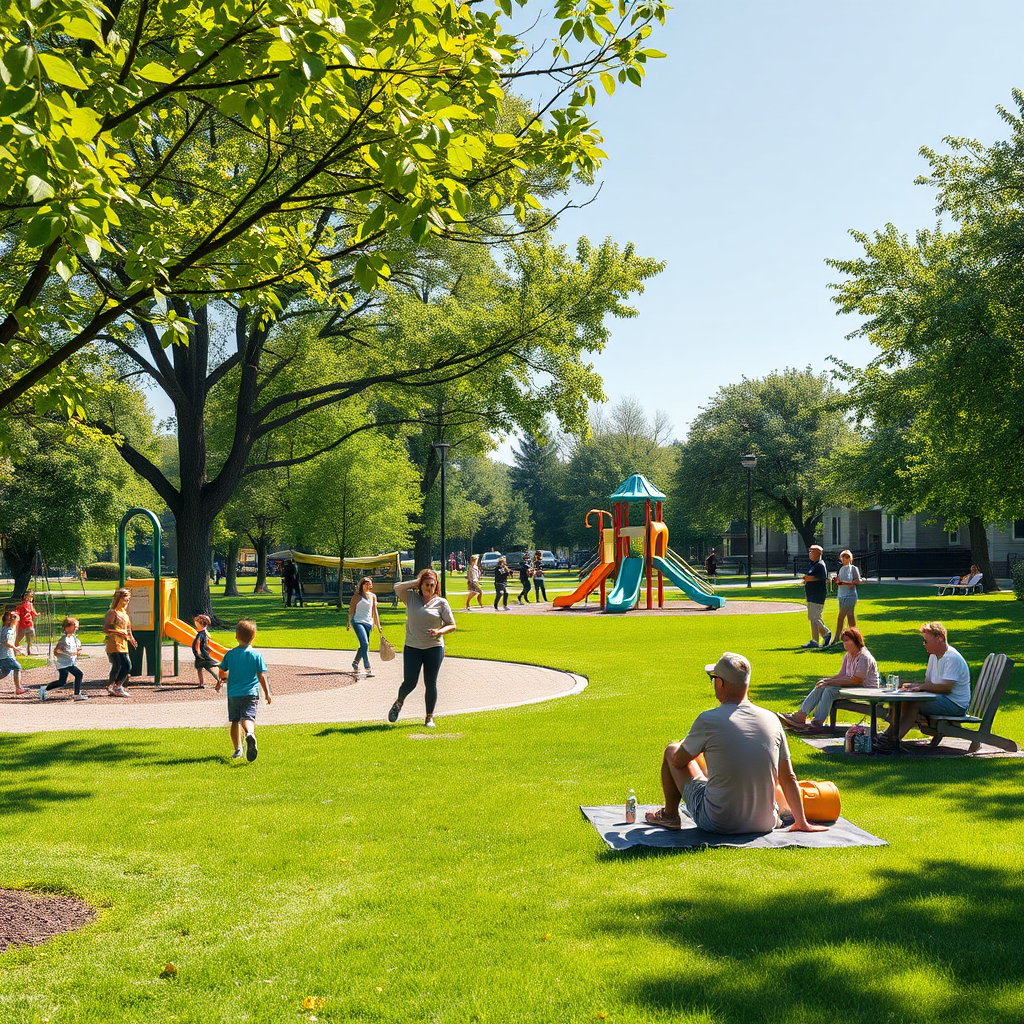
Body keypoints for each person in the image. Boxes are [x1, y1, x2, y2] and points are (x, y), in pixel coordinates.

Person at [644, 653, 826, 834]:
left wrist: (689, 748)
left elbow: (678, 761)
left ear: (721, 683)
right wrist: (801, 822)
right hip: (765, 823)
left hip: (717, 822)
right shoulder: (771, 719)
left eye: (714, 678)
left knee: (671, 750)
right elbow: (788, 777)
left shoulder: (708, 720)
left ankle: (669, 815)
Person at [877, 621, 971, 751]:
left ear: (940, 639)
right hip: (940, 698)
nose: (924, 644)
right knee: (901, 700)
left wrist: (921, 688)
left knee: (914, 703)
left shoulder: (952, 658)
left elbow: (946, 688)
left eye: (926, 641)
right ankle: (888, 736)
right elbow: (929, 683)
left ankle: (893, 740)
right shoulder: (933, 656)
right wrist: (914, 687)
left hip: (955, 704)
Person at [388, 568, 456, 728]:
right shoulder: (411, 597)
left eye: (433, 585)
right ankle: (399, 703)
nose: (430, 588)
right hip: (412, 647)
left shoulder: (441, 603)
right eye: (426, 584)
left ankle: (429, 717)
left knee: (430, 682)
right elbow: (397, 587)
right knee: (410, 683)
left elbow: (452, 625)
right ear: (420, 585)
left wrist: (439, 631)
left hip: (434, 647)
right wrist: (417, 581)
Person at [779, 627, 879, 732]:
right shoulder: (848, 655)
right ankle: (800, 715)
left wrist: (829, 682)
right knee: (821, 686)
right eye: (844, 641)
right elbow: (842, 675)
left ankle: (818, 722)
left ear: (856, 641)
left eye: (847, 641)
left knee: (829, 690)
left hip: (866, 690)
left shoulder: (864, 657)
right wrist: (826, 680)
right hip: (854, 686)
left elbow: (857, 680)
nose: (845, 644)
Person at [216, 619, 271, 761]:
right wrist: (267, 693)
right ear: (253, 637)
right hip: (251, 693)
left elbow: (221, 671)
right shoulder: (257, 655)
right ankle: (250, 734)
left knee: (235, 721)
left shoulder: (230, 654)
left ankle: (237, 749)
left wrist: (223, 679)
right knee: (248, 717)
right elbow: (261, 675)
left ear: (236, 636)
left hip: (234, 693)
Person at [103, 587, 137, 697]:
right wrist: (119, 632)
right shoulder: (113, 612)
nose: (128, 599)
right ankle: (117, 686)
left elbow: (128, 629)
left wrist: (131, 639)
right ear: (119, 598)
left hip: (123, 643)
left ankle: (112, 686)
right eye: (126, 597)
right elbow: (106, 629)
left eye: (128, 597)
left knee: (117, 666)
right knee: (126, 665)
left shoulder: (124, 613)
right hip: (114, 643)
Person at [347, 576, 383, 677]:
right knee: (365, 643)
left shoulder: (373, 596)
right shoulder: (357, 596)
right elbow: (351, 611)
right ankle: (367, 667)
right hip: (358, 622)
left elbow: (374, 612)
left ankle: (355, 662)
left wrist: (378, 625)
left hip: (368, 623)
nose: (368, 586)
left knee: (364, 645)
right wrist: (349, 623)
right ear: (362, 585)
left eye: (370, 584)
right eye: (366, 584)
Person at [43, 617, 86, 701]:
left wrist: (75, 651)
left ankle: (44, 688)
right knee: (79, 674)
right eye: (75, 627)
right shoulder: (64, 639)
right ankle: (77, 694)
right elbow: (56, 651)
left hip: (68, 662)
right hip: (64, 663)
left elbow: (71, 649)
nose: (76, 629)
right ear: (67, 627)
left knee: (62, 682)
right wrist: (68, 653)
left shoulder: (72, 638)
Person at [800, 545, 830, 649]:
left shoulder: (820, 565)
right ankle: (815, 641)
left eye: (811, 551)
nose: (810, 553)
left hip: (817, 595)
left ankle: (826, 633)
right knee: (812, 618)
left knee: (815, 617)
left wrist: (808, 578)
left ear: (818, 553)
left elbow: (820, 578)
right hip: (811, 595)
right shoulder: (814, 565)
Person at [831, 550, 862, 642]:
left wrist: (845, 583)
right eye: (843, 557)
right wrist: (837, 582)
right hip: (841, 595)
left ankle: (837, 637)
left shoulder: (853, 569)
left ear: (850, 558)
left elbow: (858, 581)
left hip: (850, 595)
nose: (844, 559)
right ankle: (855, 637)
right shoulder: (841, 569)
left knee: (841, 616)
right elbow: (840, 582)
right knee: (850, 617)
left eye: (847, 557)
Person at [0, 609, 26, 695]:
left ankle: (18, 688)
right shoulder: (8, 630)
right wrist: (16, 648)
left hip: (4, 655)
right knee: (17, 667)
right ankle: (18, 688)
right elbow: (7, 642)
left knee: (4, 672)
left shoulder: (6, 628)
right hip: (6, 655)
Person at [191, 613, 220, 687]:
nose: (195, 624)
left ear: (201, 624)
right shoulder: (201, 632)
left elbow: (200, 644)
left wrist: (199, 652)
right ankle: (201, 683)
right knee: (199, 669)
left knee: (210, 668)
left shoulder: (202, 634)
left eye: (197, 622)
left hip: (202, 656)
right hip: (199, 656)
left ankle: (220, 680)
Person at [15, 591, 37, 656]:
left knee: (30, 636)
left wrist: (36, 614)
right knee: (20, 637)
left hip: (29, 624)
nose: (31, 598)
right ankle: (15, 648)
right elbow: (17, 612)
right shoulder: (21, 606)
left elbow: (33, 613)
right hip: (23, 624)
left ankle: (29, 650)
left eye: (31, 597)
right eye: (30, 597)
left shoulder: (31, 605)